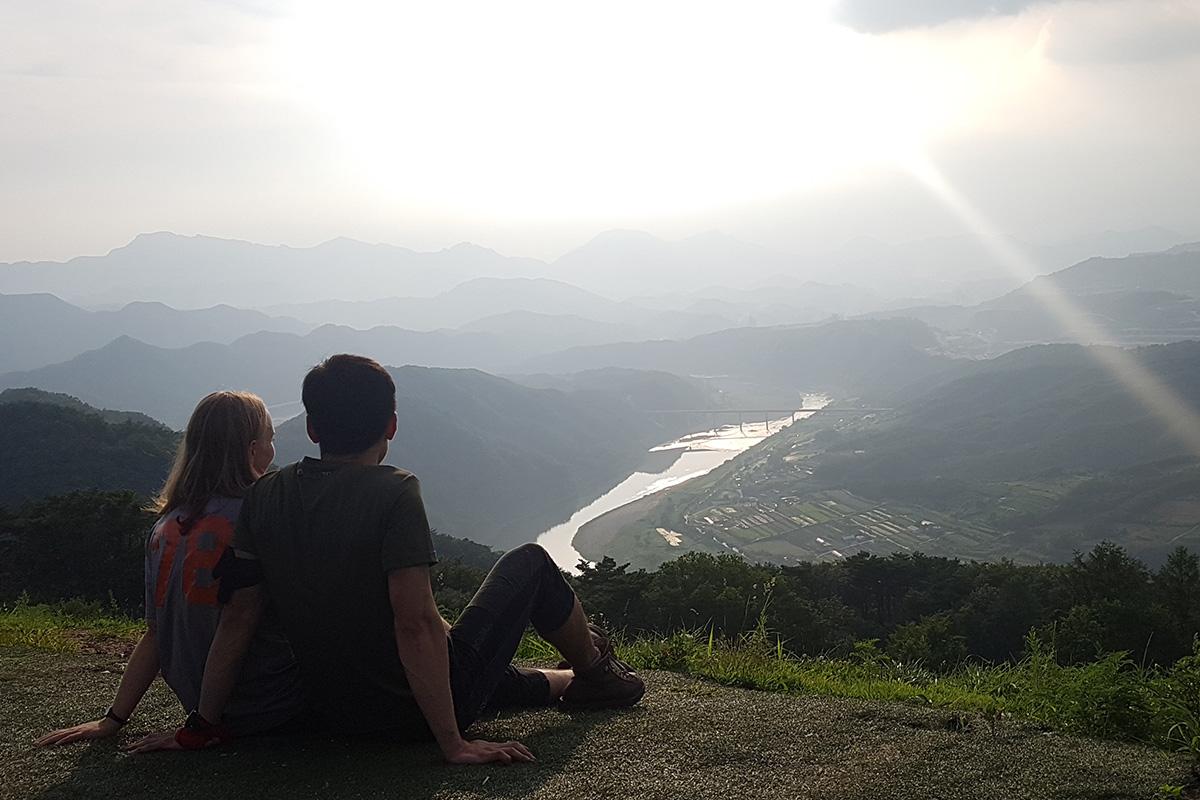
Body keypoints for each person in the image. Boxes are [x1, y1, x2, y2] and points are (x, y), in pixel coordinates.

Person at [171, 354, 644, 764]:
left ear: (312, 427)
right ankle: (594, 672)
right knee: (532, 563)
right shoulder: (394, 490)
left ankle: (566, 679)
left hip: (336, 710)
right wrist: (452, 743)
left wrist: (202, 724)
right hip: (414, 711)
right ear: (391, 426)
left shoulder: (265, 495)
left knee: (470, 660)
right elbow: (414, 622)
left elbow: (239, 617)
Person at [36, 391, 306, 748]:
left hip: (203, 709)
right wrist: (202, 729)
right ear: (253, 449)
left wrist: (113, 719)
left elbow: (156, 635)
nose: (273, 450)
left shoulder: (167, 526)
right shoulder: (261, 512)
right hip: (270, 706)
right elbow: (239, 622)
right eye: (270, 439)